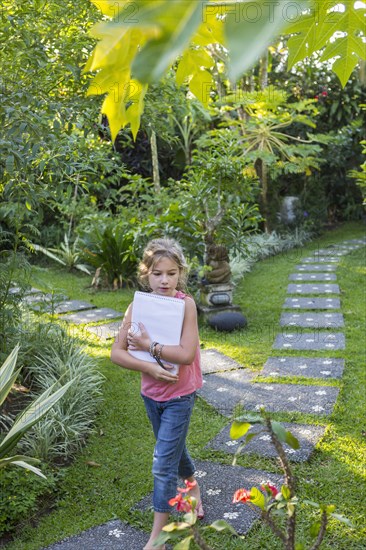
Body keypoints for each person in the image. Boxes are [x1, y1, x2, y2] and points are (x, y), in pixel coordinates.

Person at [110, 238, 203, 550]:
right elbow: (116, 353)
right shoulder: (138, 306)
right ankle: (193, 489)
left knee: (162, 464)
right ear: (145, 274)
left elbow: (187, 354)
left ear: (180, 274)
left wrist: (149, 346)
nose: (165, 280)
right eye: (158, 273)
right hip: (151, 394)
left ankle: (157, 539)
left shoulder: (186, 304)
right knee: (173, 448)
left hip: (180, 395)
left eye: (172, 273)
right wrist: (149, 368)